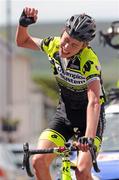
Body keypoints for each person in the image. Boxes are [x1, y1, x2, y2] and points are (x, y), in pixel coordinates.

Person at [16, 7, 106, 180]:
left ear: (83, 46)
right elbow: (22, 41)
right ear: (62, 32)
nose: (66, 47)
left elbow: (94, 101)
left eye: (74, 45)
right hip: (64, 114)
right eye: (66, 39)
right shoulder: (53, 44)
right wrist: (23, 25)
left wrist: (87, 137)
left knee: (81, 172)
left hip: (89, 119)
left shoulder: (88, 60)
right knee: (38, 161)